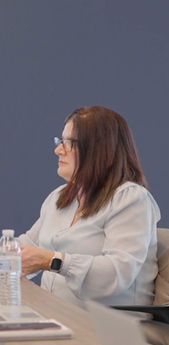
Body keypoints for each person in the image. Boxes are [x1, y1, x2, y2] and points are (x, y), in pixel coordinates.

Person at [18, 106, 160, 309]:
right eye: (61, 142)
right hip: (57, 317)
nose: (58, 150)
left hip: (109, 329)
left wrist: (52, 261)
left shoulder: (130, 199)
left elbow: (117, 274)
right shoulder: (59, 197)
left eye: (69, 143)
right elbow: (25, 247)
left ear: (98, 149)